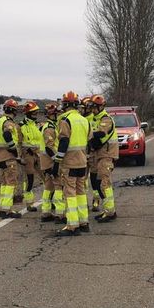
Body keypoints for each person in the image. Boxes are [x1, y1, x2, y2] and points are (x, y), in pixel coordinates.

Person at [53, 91, 90, 236]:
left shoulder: (65, 120)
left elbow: (64, 142)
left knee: (70, 193)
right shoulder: (84, 120)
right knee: (81, 192)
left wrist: (57, 161)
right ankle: (84, 222)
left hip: (69, 163)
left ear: (66, 105)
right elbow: (89, 140)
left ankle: (72, 226)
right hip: (82, 162)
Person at [89, 94, 118, 222]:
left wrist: (88, 135)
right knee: (96, 182)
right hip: (99, 155)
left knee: (105, 183)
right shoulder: (95, 119)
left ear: (101, 107)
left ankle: (110, 212)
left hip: (106, 154)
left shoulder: (106, 119)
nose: (93, 109)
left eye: (95, 107)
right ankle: (107, 210)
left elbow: (101, 133)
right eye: (92, 106)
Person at [0, 99, 22, 219]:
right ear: (13, 110)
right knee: (11, 183)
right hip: (9, 157)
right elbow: (7, 134)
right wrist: (13, 149)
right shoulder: (8, 122)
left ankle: (3, 208)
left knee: (4, 183)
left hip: (0, 157)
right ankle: (7, 210)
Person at [39, 102, 65, 222]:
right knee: (58, 186)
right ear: (52, 115)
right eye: (57, 114)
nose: (58, 115)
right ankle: (60, 213)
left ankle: (46, 212)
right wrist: (57, 160)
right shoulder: (49, 128)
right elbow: (49, 147)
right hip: (50, 161)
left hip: (46, 162)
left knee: (48, 187)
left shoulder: (51, 126)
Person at [19, 101, 44, 212]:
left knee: (46, 177)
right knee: (29, 179)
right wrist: (20, 157)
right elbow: (18, 142)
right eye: (33, 112)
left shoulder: (37, 125)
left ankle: (50, 200)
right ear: (27, 113)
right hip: (27, 154)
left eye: (36, 112)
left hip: (38, 154)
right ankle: (29, 203)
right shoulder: (21, 126)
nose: (35, 114)